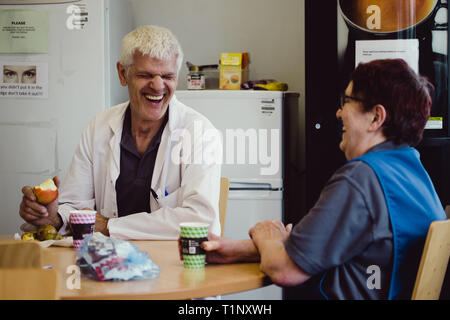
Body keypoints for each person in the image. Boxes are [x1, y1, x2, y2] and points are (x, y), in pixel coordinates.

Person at [199, 59, 447, 299]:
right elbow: (326, 246)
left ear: (375, 117)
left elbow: (284, 270)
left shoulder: (361, 178)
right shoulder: (412, 172)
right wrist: (236, 250)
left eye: (347, 101)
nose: (339, 113)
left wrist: (265, 235)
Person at [19, 25, 222, 239]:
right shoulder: (98, 128)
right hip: (104, 263)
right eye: (146, 75)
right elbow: (75, 206)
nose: (158, 86)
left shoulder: (199, 133)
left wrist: (109, 226)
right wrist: (54, 217)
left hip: (174, 264)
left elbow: (201, 221)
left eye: (168, 76)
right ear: (123, 73)